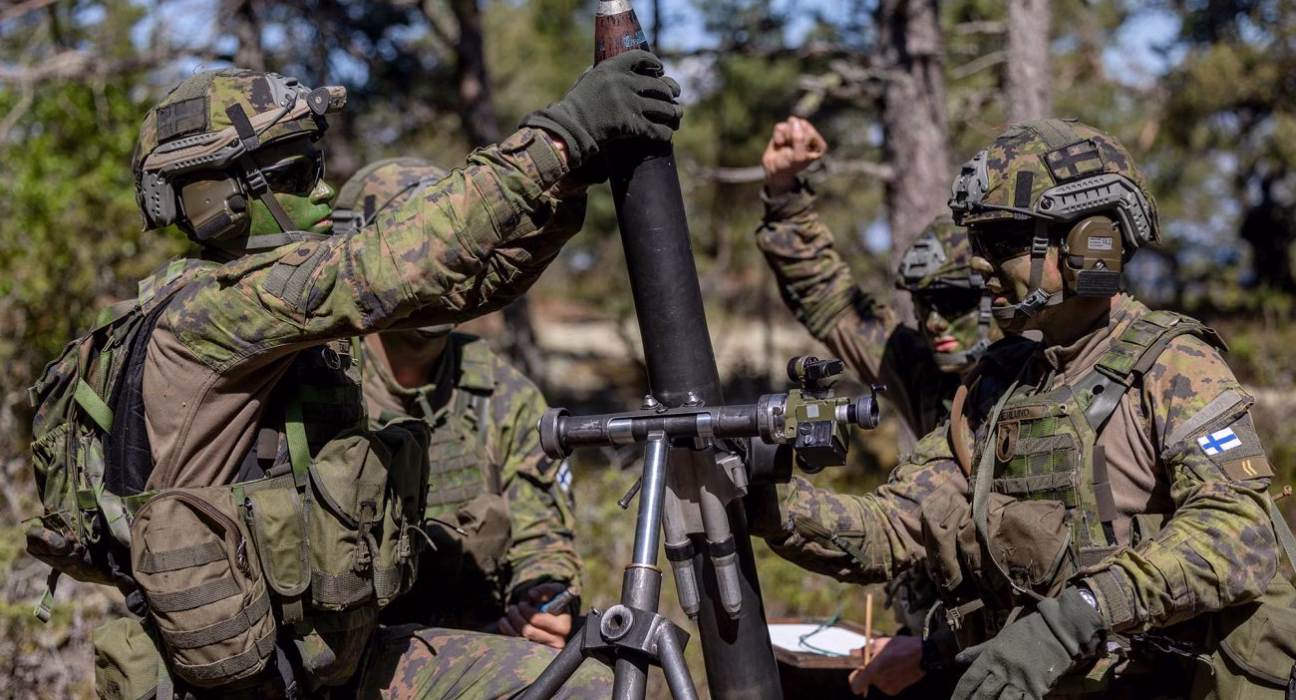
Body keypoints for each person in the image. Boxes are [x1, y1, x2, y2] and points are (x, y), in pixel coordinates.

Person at [30, 54, 682, 700]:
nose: (320, 190)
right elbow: (395, 263)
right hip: (249, 685)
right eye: (299, 170)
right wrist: (562, 136)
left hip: (332, 663)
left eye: (319, 164)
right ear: (216, 199)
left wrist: (568, 183)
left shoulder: (262, 310)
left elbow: (456, 292)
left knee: (585, 687)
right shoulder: (212, 312)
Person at [762, 118, 1296, 700]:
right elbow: (893, 528)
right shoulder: (999, 382)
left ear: (1091, 243)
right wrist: (765, 502)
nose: (981, 265)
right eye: (977, 243)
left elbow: (1239, 533)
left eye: (1001, 242)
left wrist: (1077, 616)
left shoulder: (1172, 364)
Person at [755, 116, 1000, 697]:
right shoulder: (927, 367)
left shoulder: (1044, 384)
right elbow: (832, 302)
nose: (935, 323)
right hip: (935, 648)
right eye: (923, 306)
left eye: (952, 302)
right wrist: (786, 195)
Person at [333, 158, 583, 649]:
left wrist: (545, 599)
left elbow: (542, 536)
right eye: (413, 251)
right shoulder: (322, 389)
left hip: (478, 650)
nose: (439, 271)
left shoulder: (501, 394)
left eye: (452, 249)